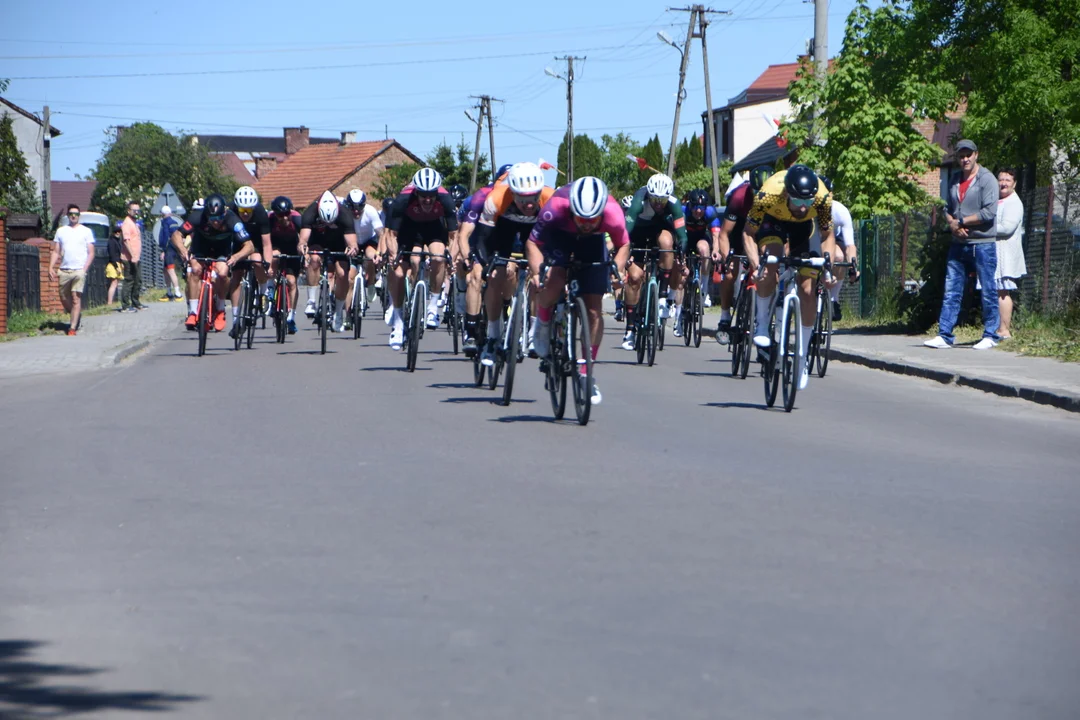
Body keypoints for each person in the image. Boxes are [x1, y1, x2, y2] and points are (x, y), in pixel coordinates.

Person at [528, 176, 629, 405]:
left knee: (594, 310)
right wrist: (537, 272)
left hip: (593, 244)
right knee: (554, 281)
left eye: (591, 219)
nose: (585, 222)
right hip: (560, 236)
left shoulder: (613, 213)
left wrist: (618, 270)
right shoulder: (556, 207)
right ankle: (543, 324)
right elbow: (533, 243)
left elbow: (623, 244)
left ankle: (587, 370)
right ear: (572, 208)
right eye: (581, 217)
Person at [744, 164, 838, 390]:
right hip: (773, 221)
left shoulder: (822, 198)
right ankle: (763, 324)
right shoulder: (768, 194)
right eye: (798, 202)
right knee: (770, 263)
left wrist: (828, 269)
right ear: (787, 193)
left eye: (808, 202)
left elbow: (827, 235)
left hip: (804, 230)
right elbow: (748, 232)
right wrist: (757, 265)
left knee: (808, 289)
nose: (803, 207)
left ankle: (802, 356)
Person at [470, 162, 553, 366]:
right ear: (512, 192)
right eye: (523, 199)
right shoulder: (496, 198)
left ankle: (534, 334)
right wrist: (486, 263)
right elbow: (481, 239)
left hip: (536, 233)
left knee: (541, 278)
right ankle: (492, 335)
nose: (529, 204)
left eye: (534, 197)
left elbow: (557, 238)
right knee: (496, 277)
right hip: (502, 232)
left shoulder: (550, 200)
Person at [924, 139, 1001, 349]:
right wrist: (952, 225)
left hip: (982, 243)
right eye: (961, 155)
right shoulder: (955, 179)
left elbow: (989, 212)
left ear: (976, 155)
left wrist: (962, 221)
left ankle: (991, 334)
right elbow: (947, 208)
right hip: (959, 242)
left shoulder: (987, 180)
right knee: (952, 288)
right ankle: (945, 334)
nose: (965, 159)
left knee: (987, 289)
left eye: (968, 155)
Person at [383, 167, 457, 350]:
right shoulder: (402, 200)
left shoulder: (446, 200)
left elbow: (454, 236)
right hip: (408, 230)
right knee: (401, 271)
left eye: (431, 195)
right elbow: (391, 235)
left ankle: (433, 306)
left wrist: (452, 259)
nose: (427, 199)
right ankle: (398, 322)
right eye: (423, 195)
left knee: (439, 257)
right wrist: (393, 256)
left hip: (434, 229)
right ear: (416, 191)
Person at [620, 173, 688, 350]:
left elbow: (682, 235)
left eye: (662, 200)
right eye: (655, 199)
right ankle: (630, 329)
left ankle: (664, 296)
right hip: (638, 234)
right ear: (648, 195)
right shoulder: (639, 198)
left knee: (668, 243)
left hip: (659, 231)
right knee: (635, 278)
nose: (658, 204)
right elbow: (626, 233)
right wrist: (624, 253)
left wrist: (682, 250)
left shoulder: (673, 203)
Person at [171, 193, 255, 332]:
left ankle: (221, 309)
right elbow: (176, 235)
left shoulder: (232, 220)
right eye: (212, 218)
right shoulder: (197, 216)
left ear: (225, 213)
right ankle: (193, 312)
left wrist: (236, 257)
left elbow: (249, 246)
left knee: (222, 273)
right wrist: (182, 251)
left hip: (222, 248)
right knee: (195, 270)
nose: (216, 222)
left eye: (219, 218)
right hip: (201, 246)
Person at [715, 165, 772, 343]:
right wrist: (727, 259)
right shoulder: (739, 197)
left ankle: (763, 317)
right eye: (756, 192)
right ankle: (725, 317)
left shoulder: (775, 197)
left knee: (769, 266)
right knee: (730, 272)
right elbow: (724, 234)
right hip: (739, 229)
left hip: (763, 230)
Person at [299, 191, 360, 333]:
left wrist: (352, 248)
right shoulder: (310, 212)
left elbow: (352, 242)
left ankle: (338, 313)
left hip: (338, 243)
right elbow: (303, 238)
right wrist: (302, 246)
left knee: (342, 273)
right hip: (317, 241)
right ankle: (312, 301)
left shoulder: (345, 214)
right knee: (314, 259)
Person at [49, 203, 96, 335]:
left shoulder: (86, 231)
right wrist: (51, 267)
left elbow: (91, 252)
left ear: (79, 216)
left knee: (76, 298)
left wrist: (84, 269)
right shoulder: (61, 231)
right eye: (71, 214)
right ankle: (76, 314)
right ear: (68, 216)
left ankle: (72, 328)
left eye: (76, 214)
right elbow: (56, 251)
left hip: (78, 270)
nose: (74, 216)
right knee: (63, 297)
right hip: (64, 270)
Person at [992, 168, 1026, 339]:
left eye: (1007, 180)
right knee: (997, 291)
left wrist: (982, 229)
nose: (1003, 183)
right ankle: (997, 329)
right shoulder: (999, 201)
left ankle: (1004, 330)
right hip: (996, 253)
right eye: (1000, 179)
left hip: (1006, 254)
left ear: (1014, 184)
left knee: (1003, 291)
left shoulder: (1014, 203)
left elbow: (1006, 228)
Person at [342, 188, 383, 327]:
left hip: (368, 242)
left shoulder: (371, 212)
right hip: (350, 243)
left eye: (359, 208)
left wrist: (380, 253)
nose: (356, 212)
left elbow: (381, 234)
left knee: (371, 257)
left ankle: (370, 282)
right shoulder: (344, 213)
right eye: (353, 209)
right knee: (349, 280)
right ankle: (347, 315)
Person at [268, 196, 303, 334]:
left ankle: (291, 317)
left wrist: (305, 255)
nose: (284, 218)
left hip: (293, 249)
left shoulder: (297, 219)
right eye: (280, 215)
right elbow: (265, 241)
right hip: (276, 246)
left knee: (292, 282)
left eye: (286, 214)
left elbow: (304, 239)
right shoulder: (270, 220)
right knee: (275, 255)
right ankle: (271, 288)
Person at [120, 200, 146, 311]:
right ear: (128, 210)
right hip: (129, 258)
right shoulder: (127, 223)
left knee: (138, 280)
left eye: (137, 210)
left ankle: (136, 303)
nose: (136, 212)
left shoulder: (134, 223)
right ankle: (126, 305)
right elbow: (126, 241)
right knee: (129, 280)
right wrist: (133, 256)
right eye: (134, 210)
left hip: (136, 257)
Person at [157, 206, 183, 301]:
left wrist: (164, 250)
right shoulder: (174, 223)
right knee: (166, 270)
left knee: (170, 270)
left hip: (169, 250)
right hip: (172, 249)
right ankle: (169, 293)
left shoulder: (166, 223)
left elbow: (166, 238)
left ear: (162, 214)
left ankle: (177, 293)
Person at [105, 222, 124, 306]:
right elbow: (112, 255)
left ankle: (111, 302)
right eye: (116, 232)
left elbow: (119, 254)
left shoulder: (118, 241)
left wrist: (121, 263)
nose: (118, 233)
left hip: (117, 263)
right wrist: (116, 267)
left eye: (119, 232)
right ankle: (109, 302)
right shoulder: (111, 241)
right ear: (113, 232)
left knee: (115, 283)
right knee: (113, 283)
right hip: (113, 264)